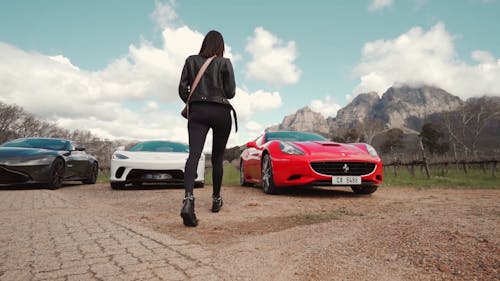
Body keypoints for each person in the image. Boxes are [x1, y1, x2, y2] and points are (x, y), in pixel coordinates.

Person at [178, 30, 236, 227]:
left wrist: (194, 101)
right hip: (221, 111)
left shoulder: (190, 60)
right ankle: (216, 199)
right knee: (217, 158)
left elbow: (182, 89)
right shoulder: (225, 62)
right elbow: (231, 92)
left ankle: (188, 200)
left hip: (198, 112)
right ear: (221, 46)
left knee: (194, 155)